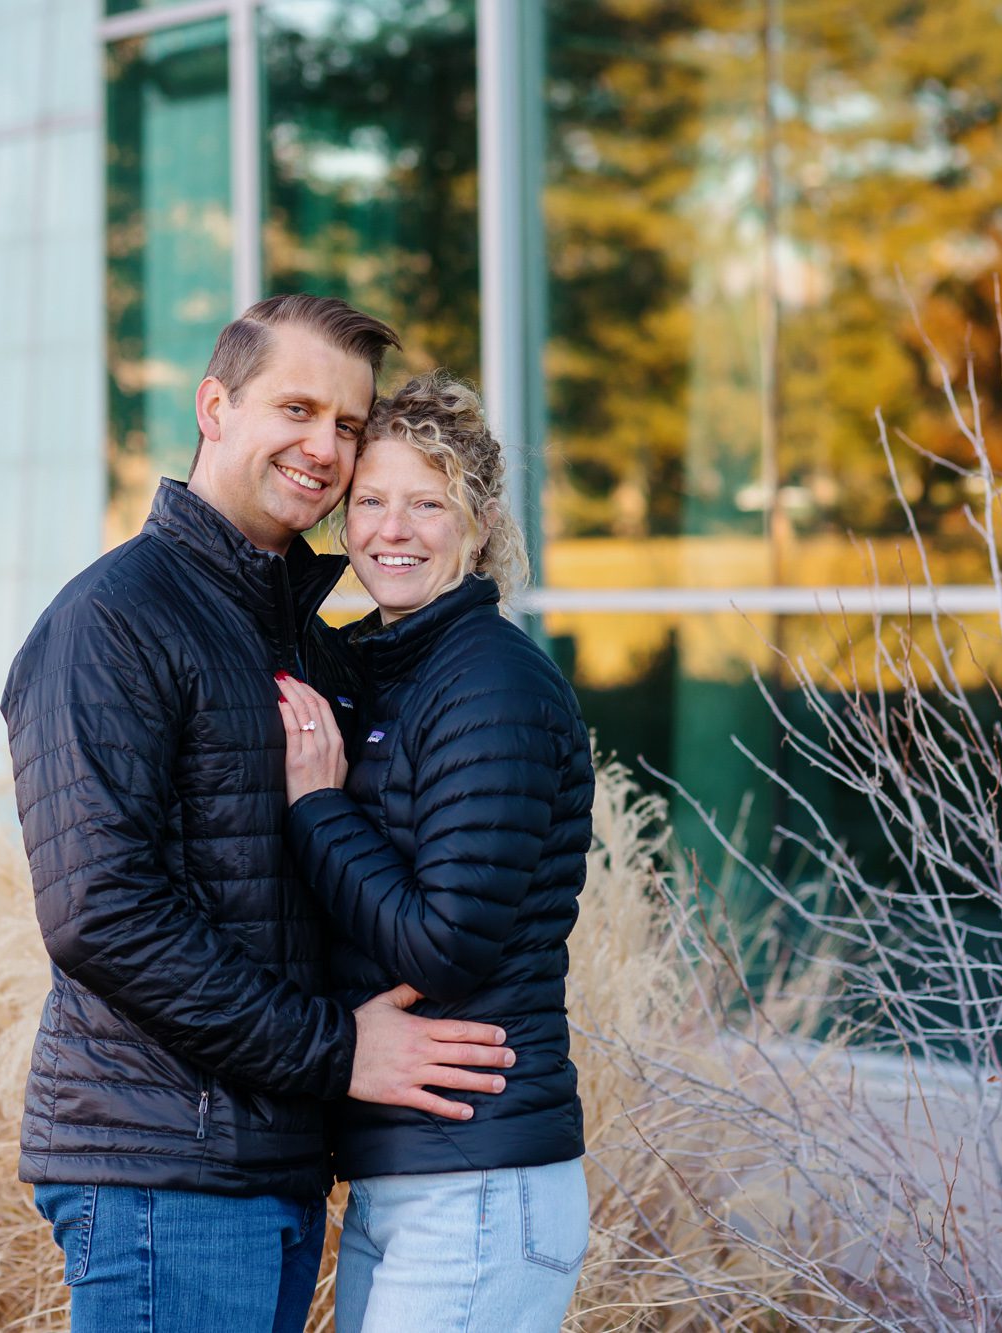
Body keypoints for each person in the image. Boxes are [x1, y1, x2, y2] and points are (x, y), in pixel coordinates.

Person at [2, 299, 519, 1333]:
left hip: (268, 1163)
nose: (322, 447)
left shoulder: (298, 633)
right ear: (214, 406)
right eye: (295, 406)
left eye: (345, 423)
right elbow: (101, 914)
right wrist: (339, 1050)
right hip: (163, 1171)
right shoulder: (115, 619)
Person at [277, 371, 596, 1332]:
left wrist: (317, 806)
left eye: (428, 502)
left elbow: (446, 943)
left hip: (480, 1184)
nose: (392, 529)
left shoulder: (490, 683)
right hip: (415, 1172)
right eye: (370, 501)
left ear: (481, 519)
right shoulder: (401, 669)